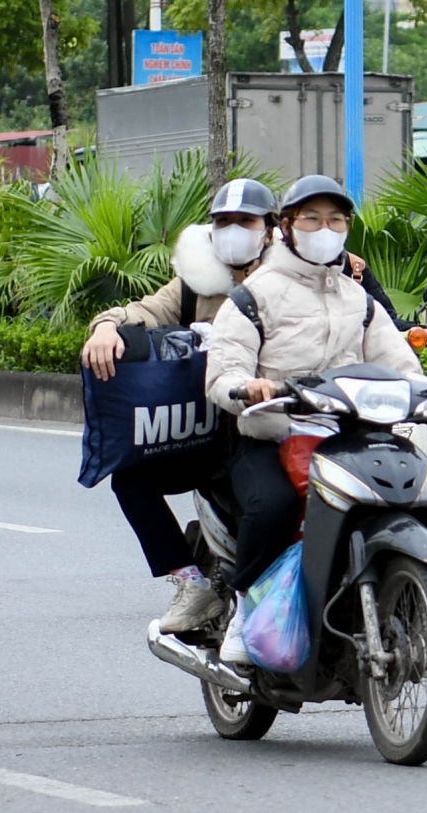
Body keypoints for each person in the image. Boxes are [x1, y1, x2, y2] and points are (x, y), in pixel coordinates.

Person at [205, 174, 427, 663]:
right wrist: (250, 388)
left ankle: (399, 601)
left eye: (336, 219)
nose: (324, 229)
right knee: (274, 506)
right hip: (271, 432)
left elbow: (400, 364)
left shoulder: (359, 300)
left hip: (348, 436)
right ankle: (246, 611)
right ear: (285, 227)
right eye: (312, 218)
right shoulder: (252, 296)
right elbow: (223, 374)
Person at [80, 178, 278, 634]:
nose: (234, 231)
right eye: (223, 222)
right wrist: (108, 327)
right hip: (211, 430)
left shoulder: (296, 278)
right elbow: (146, 310)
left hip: (273, 429)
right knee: (130, 479)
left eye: (245, 221)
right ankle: (192, 584)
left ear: (270, 229)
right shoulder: (198, 282)